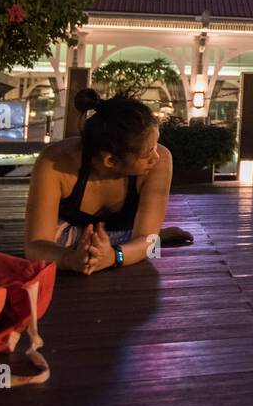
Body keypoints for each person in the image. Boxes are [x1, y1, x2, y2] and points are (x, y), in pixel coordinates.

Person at [24, 89, 190, 275]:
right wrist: (70, 259)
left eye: (156, 144)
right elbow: (34, 247)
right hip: (65, 240)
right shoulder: (55, 162)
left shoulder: (160, 161)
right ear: (111, 161)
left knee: (151, 244)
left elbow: (149, 243)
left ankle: (150, 234)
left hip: (127, 240)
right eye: (148, 152)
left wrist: (114, 257)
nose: (156, 156)